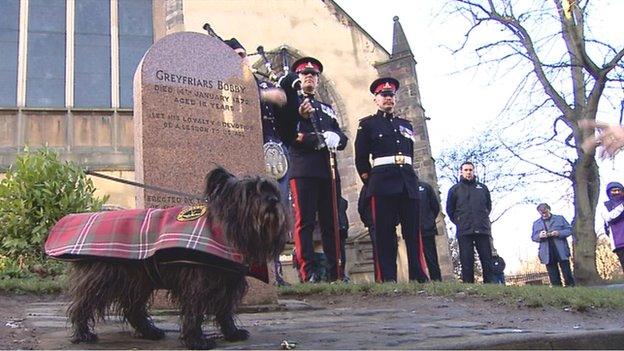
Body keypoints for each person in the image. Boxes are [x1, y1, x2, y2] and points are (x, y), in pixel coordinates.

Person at [224, 38, 291, 286]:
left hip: (272, 153)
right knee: (249, 213)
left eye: (243, 54)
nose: (242, 59)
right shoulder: (224, 81)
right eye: (235, 55)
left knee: (275, 211)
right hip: (241, 151)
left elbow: (283, 101)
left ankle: (275, 272)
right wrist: (262, 95)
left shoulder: (260, 81)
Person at [354, 77, 428, 283]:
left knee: (412, 231)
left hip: (407, 182)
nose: (388, 99)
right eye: (384, 96)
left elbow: (410, 154)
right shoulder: (367, 125)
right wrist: (371, 182)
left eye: (391, 95)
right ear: (376, 99)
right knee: (384, 233)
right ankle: (387, 277)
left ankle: (418, 274)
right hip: (382, 183)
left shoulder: (406, 125)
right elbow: (361, 159)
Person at [286, 57, 348, 283]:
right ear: (298, 78)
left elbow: (342, 138)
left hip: (328, 171)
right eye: (304, 74)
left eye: (313, 75)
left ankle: (337, 272)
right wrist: (317, 138)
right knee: (305, 222)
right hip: (303, 169)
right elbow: (290, 135)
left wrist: (336, 137)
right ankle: (307, 272)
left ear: (318, 80)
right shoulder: (291, 103)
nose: (309, 77)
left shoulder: (328, 109)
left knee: (332, 222)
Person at [446, 161, 493, 284]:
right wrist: (459, 222)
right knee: (466, 259)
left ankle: (490, 284)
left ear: (474, 171)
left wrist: (482, 218)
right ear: (461, 172)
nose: (468, 172)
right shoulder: (454, 190)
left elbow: (488, 206)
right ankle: (468, 285)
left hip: (482, 229)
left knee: (486, 258)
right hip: (464, 230)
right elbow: (450, 210)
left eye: (470, 170)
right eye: (466, 170)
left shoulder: (482, 188)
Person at [531, 203, 575, 287]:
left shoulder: (560, 218)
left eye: (545, 211)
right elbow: (533, 237)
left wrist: (559, 233)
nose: (544, 214)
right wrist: (540, 236)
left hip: (561, 249)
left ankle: (571, 287)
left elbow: (569, 230)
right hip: (547, 252)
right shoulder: (536, 223)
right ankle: (557, 290)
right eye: (541, 212)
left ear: (549, 209)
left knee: (567, 272)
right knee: (553, 275)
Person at [418, 180, 442, 281]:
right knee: (415, 258)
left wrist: (429, 220)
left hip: (427, 228)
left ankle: (436, 281)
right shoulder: (403, 188)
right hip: (412, 230)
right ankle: (420, 281)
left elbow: (435, 206)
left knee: (431, 257)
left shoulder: (425, 187)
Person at [600, 182, 624, 274]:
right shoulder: (605, 205)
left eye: (619, 190)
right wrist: (622, 206)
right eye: (614, 190)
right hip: (619, 242)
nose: (617, 192)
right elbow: (609, 217)